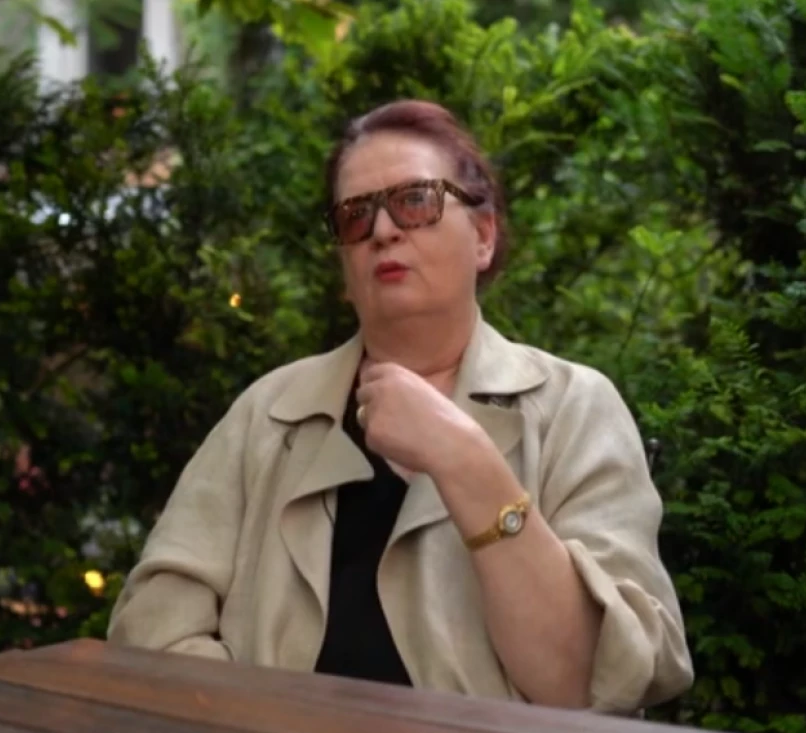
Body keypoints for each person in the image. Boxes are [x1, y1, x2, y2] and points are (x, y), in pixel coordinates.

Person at [107, 99, 694, 714]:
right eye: (355, 216)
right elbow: (151, 629)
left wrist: (465, 459)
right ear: (344, 267)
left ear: (484, 236)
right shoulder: (270, 414)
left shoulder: (574, 408)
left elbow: (589, 683)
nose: (383, 230)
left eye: (416, 200)